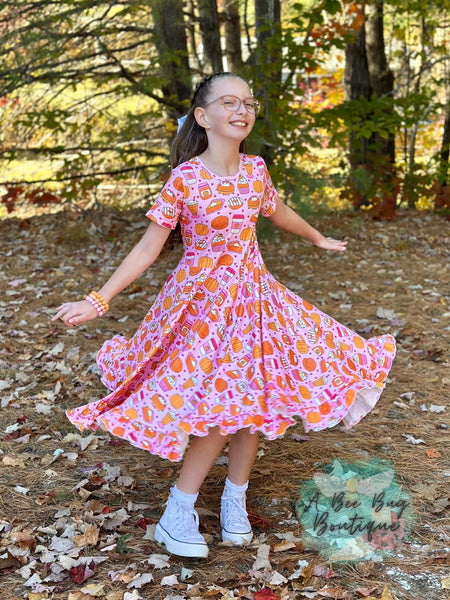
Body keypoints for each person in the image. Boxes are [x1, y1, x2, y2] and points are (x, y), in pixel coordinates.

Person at [52, 72, 396, 559]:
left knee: (253, 401)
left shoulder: (255, 170)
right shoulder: (185, 179)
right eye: (229, 102)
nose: (242, 110)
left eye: (249, 102)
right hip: (201, 309)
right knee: (220, 406)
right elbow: (148, 248)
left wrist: (316, 236)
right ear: (202, 117)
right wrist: (99, 299)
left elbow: (278, 211)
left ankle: (235, 498)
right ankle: (177, 510)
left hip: (254, 303)